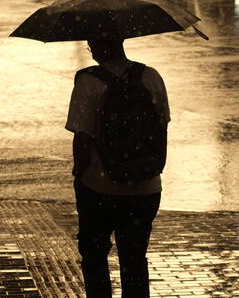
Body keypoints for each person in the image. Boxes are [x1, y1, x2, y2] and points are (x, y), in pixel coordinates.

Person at [65, 38, 170, 298]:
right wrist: (150, 166)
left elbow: (82, 137)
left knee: (95, 256)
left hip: (100, 187)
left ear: (96, 45)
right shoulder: (150, 76)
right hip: (146, 186)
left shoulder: (88, 80)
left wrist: (79, 175)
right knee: (134, 258)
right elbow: (162, 128)